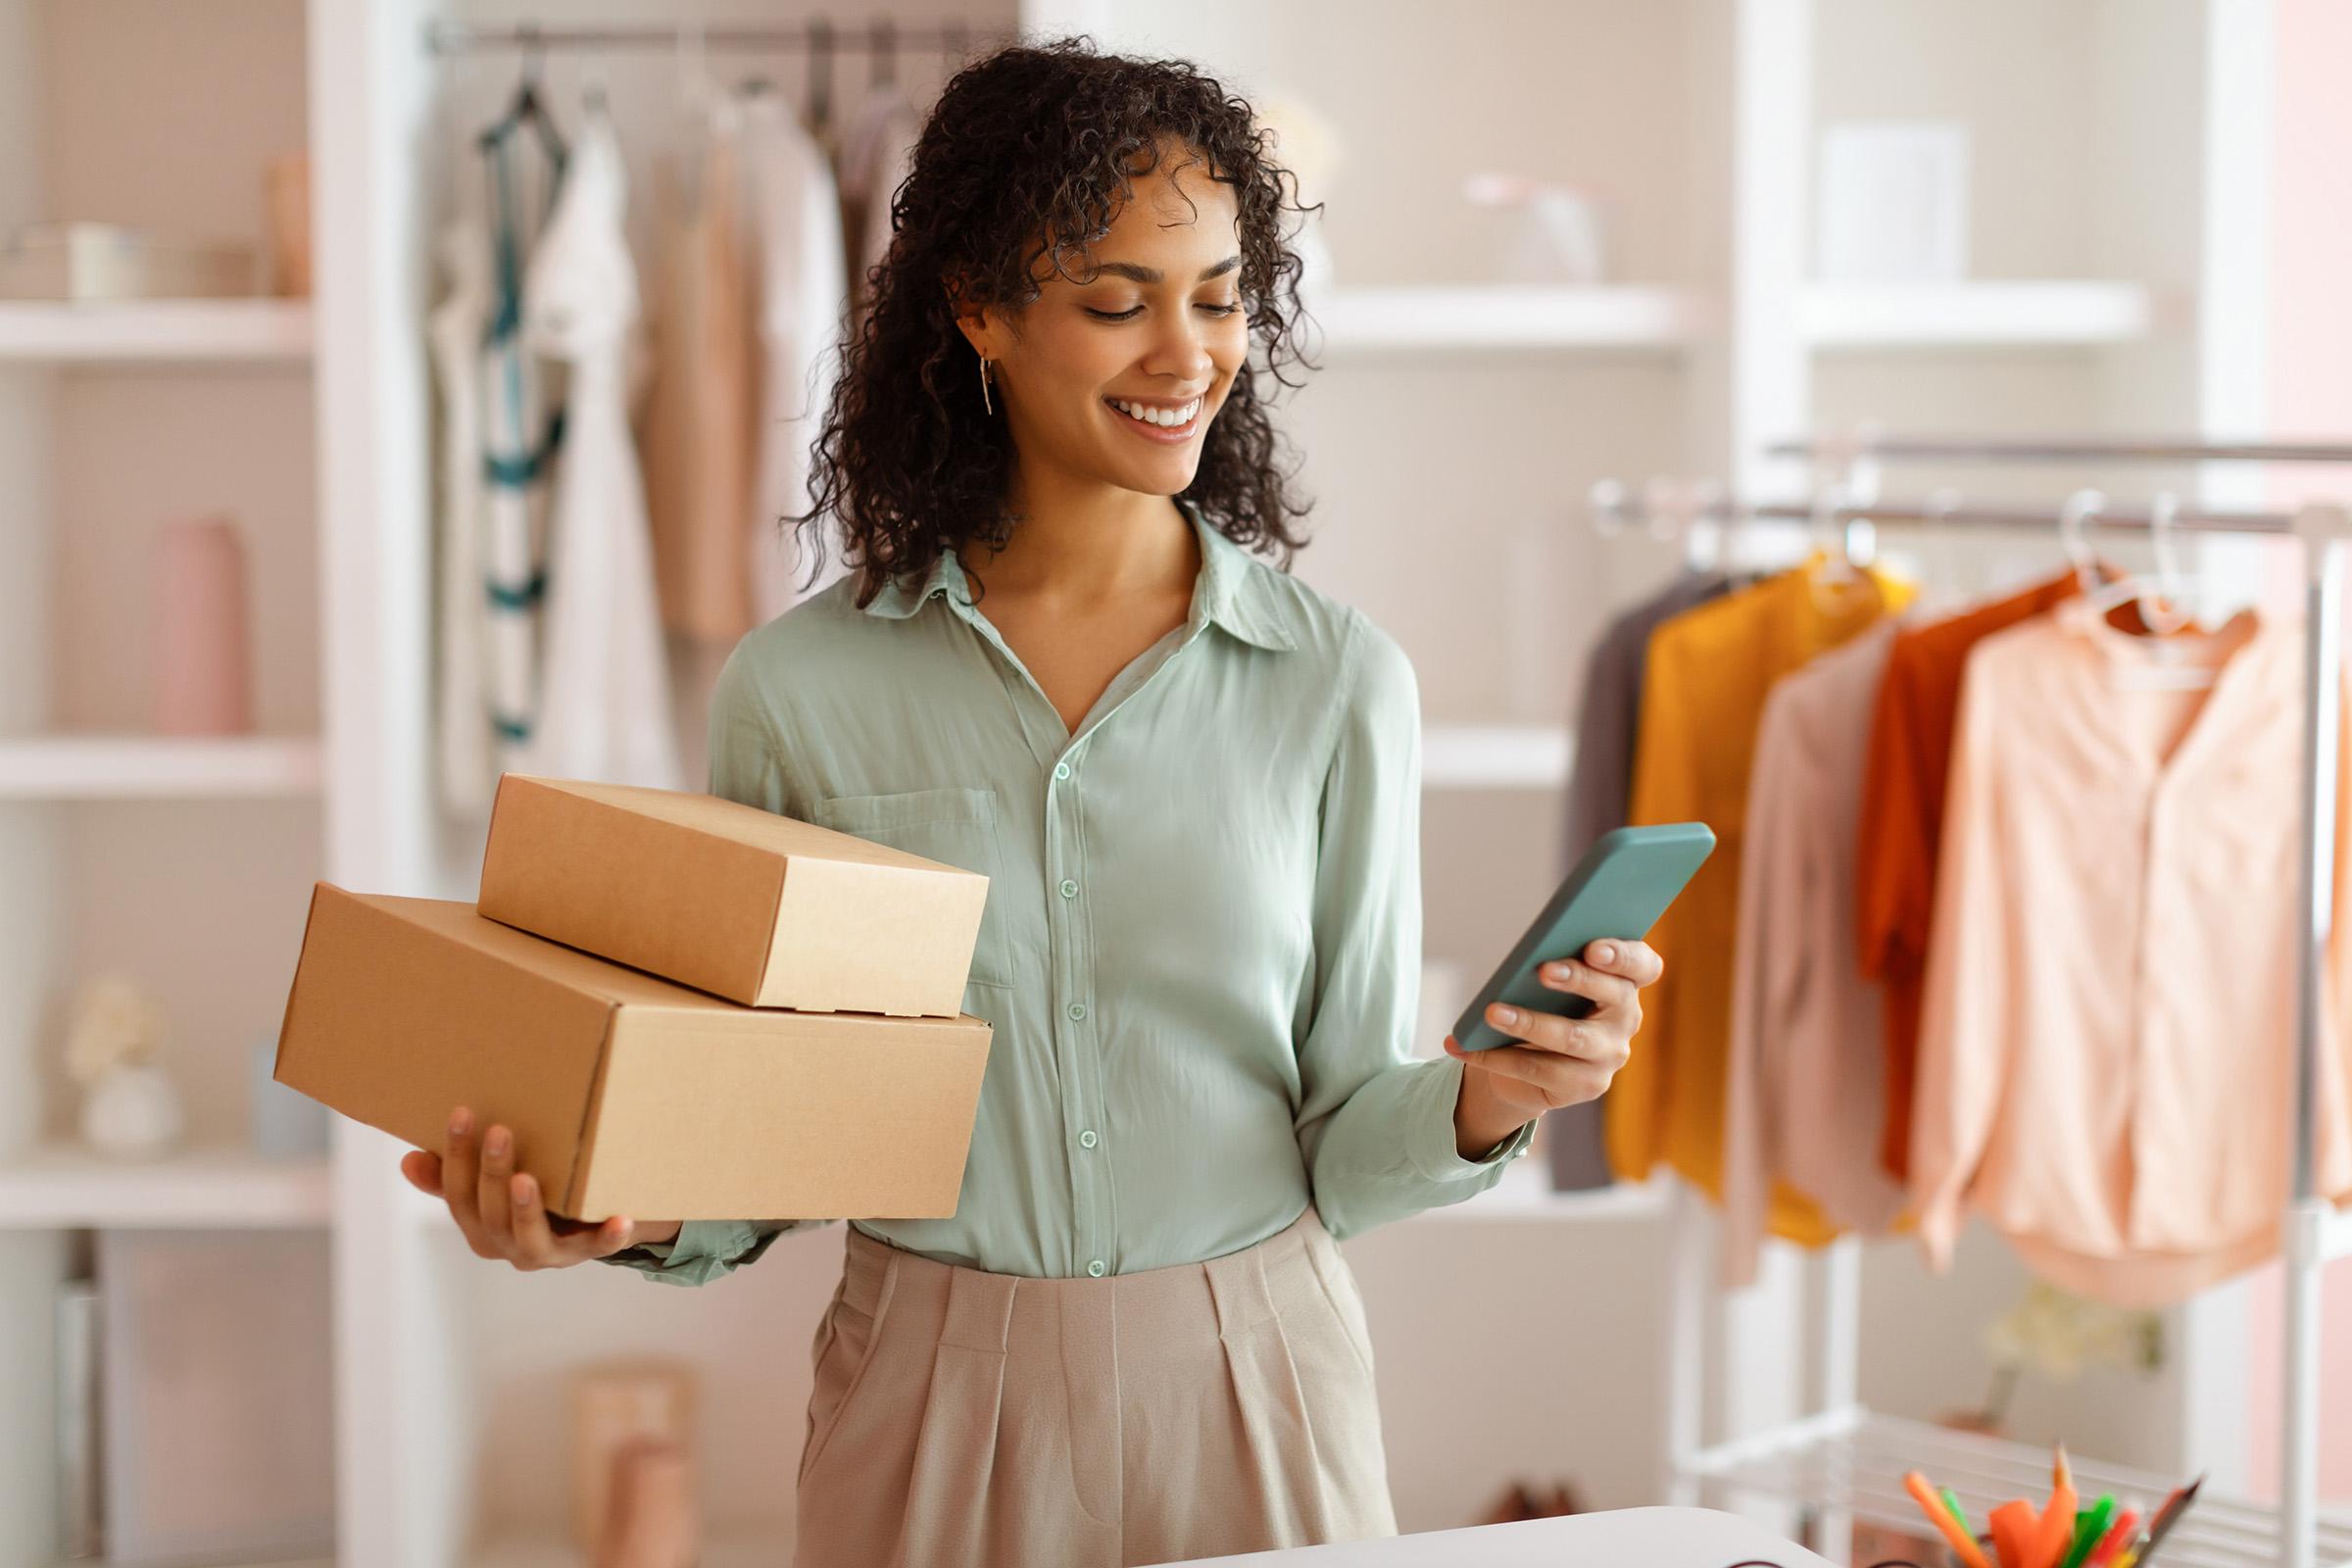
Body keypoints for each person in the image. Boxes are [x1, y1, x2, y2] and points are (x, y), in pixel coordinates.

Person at [400, 36, 1666, 1568]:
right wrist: (616, 1213)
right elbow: (767, 1146)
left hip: (1255, 1379)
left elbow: (1342, 1136)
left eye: (1218, 297)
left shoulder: (1335, 683)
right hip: (924, 1393)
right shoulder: (800, 694)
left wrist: (1497, 1094)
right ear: (979, 310)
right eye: (1117, 302)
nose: (1186, 354)